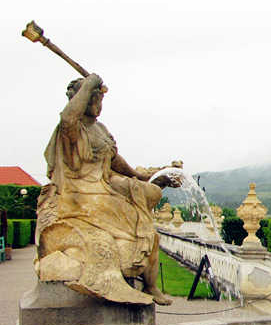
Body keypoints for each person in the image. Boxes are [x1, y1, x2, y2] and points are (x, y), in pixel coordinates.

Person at [36, 73, 176, 305]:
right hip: (81, 195)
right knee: (146, 231)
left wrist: (143, 176)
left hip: (104, 187)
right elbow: (67, 117)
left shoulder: (100, 128)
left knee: (153, 195)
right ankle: (137, 272)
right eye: (93, 100)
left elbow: (115, 161)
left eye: (100, 100)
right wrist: (90, 83)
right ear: (81, 100)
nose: (98, 105)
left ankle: (151, 285)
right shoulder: (71, 129)